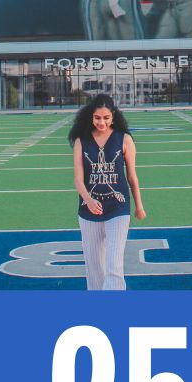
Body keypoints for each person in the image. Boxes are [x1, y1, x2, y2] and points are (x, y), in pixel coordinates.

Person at [69, 94, 145, 291]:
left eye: (106, 117)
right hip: (88, 212)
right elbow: (78, 179)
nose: (101, 122)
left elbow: (132, 177)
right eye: (97, 118)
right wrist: (89, 200)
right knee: (93, 267)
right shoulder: (81, 141)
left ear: (113, 116)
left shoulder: (124, 139)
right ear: (90, 117)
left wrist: (139, 206)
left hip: (118, 209)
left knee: (114, 266)